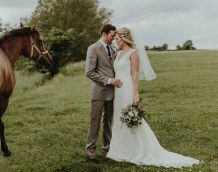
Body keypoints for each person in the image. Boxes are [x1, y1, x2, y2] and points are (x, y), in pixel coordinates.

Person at [106, 27, 199, 168]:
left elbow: (134, 75)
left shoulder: (133, 53)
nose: (116, 41)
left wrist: (135, 95)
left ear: (124, 38)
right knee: (119, 120)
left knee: (133, 121)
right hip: (117, 93)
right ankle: (120, 150)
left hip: (127, 90)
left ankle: (141, 150)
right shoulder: (118, 54)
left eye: (117, 39)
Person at [85, 24, 123, 163]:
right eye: (112, 35)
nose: (114, 38)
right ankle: (90, 153)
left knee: (108, 122)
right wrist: (108, 80)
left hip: (113, 92)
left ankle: (107, 148)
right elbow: (89, 72)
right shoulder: (93, 48)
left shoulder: (112, 48)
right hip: (99, 92)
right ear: (104, 34)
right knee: (94, 123)